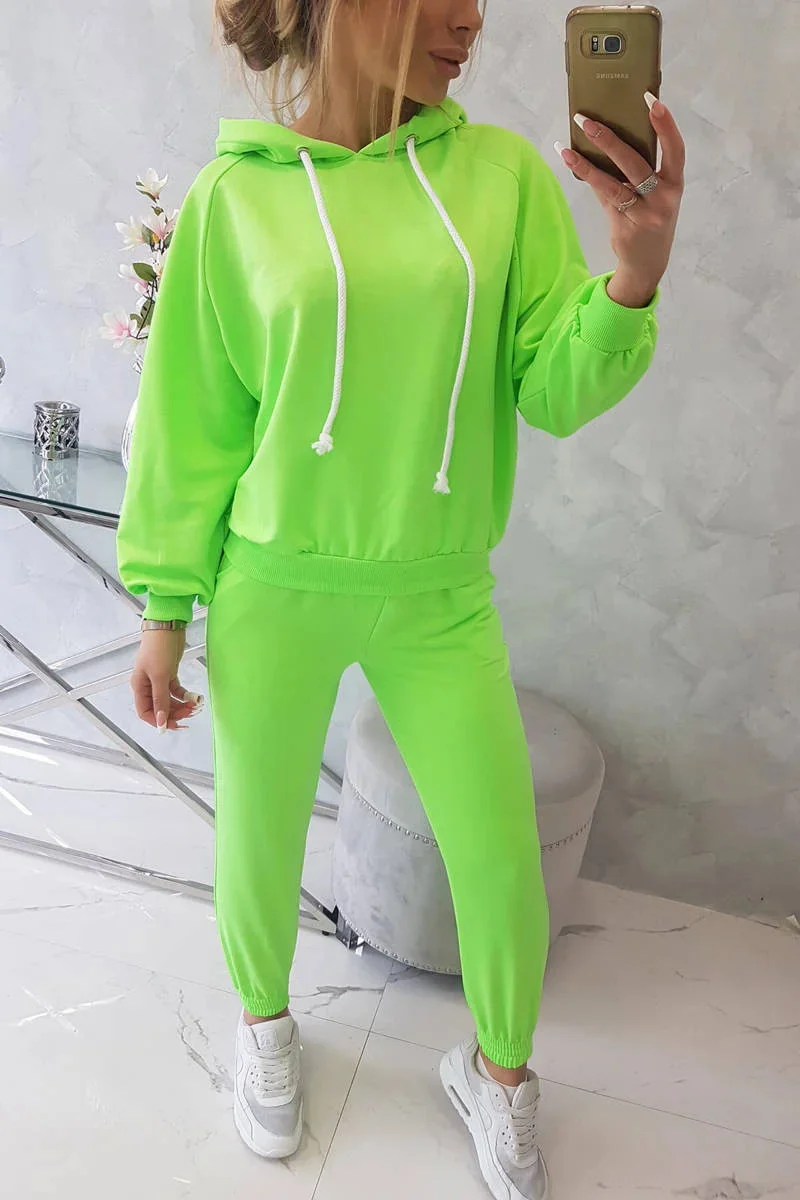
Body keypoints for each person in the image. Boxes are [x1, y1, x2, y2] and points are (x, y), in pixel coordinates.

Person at [116, 1, 684, 1195]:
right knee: (257, 833)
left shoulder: (500, 178)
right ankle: (265, 1023)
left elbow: (551, 389)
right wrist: (166, 607)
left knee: (497, 854)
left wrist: (631, 273)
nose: (470, 19)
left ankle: (498, 1071)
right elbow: (190, 422)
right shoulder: (235, 198)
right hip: (272, 580)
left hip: (437, 590)